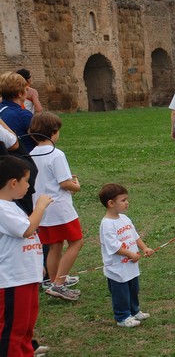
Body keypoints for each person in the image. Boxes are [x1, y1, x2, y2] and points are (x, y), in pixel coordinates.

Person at [0, 155, 53, 357]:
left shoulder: (11, 206)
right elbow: (27, 230)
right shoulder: (2, 208)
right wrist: (40, 206)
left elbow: (23, 241)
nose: (29, 188)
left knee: (26, 327)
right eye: (27, 182)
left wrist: (35, 264)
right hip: (12, 281)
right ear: (13, 182)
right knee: (12, 331)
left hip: (26, 276)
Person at [29, 112, 83, 301]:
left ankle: (54, 282)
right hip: (60, 209)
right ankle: (58, 283)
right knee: (76, 242)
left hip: (42, 209)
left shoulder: (31, 154)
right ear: (53, 132)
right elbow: (65, 183)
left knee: (55, 245)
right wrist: (76, 185)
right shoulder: (56, 154)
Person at [98, 183, 154, 328]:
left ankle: (134, 311)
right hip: (117, 268)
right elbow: (114, 246)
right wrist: (130, 254)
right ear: (111, 203)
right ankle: (122, 317)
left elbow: (134, 236)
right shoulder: (107, 224)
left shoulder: (124, 219)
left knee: (133, 289)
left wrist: (144, 248)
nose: (127, 203)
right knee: (121, 293)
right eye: (123, 200)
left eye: (126, 199)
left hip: (131, 265)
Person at [0, 72, 35, 152]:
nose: (27, 91)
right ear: (20, 94)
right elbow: (42, 141)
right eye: (26, 89)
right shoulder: (24, 116)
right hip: (24, 159)